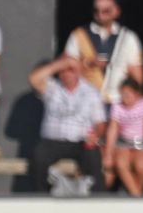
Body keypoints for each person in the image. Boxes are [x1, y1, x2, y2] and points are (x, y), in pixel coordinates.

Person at [28, 56, 107, 194]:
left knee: (94, 158)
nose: (66, 73)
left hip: (81, 142)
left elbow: (100, 123)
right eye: (62, 70)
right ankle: (41, 198)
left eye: (70, 69)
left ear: (78, 71)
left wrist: (95, 135)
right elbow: (33, 79)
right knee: (38, 156)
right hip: (53, 142)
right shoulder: (52, 87)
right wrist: (60, 64)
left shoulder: (91, 92)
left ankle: (96, 201)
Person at [64, 0, 143, 109]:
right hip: (86, 102)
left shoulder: (128, 37)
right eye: (96, 11)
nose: (100, 15)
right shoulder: (79, 35)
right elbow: (65, 69)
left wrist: (136, 106)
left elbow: (137, 76)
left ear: (116, 11)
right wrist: (88, 63)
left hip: (118, 102)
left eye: (106, 11)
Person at [103, 78, 143, 197]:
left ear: (137, 94)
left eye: (128, 94)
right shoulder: (117, 106)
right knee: (120, 163)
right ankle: (137, 197)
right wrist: (108, 155)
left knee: (141, 166)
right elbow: (112, 131)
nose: (125, 97)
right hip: (123, 144)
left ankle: (133, 194)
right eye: (123, 94)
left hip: (140, 144)